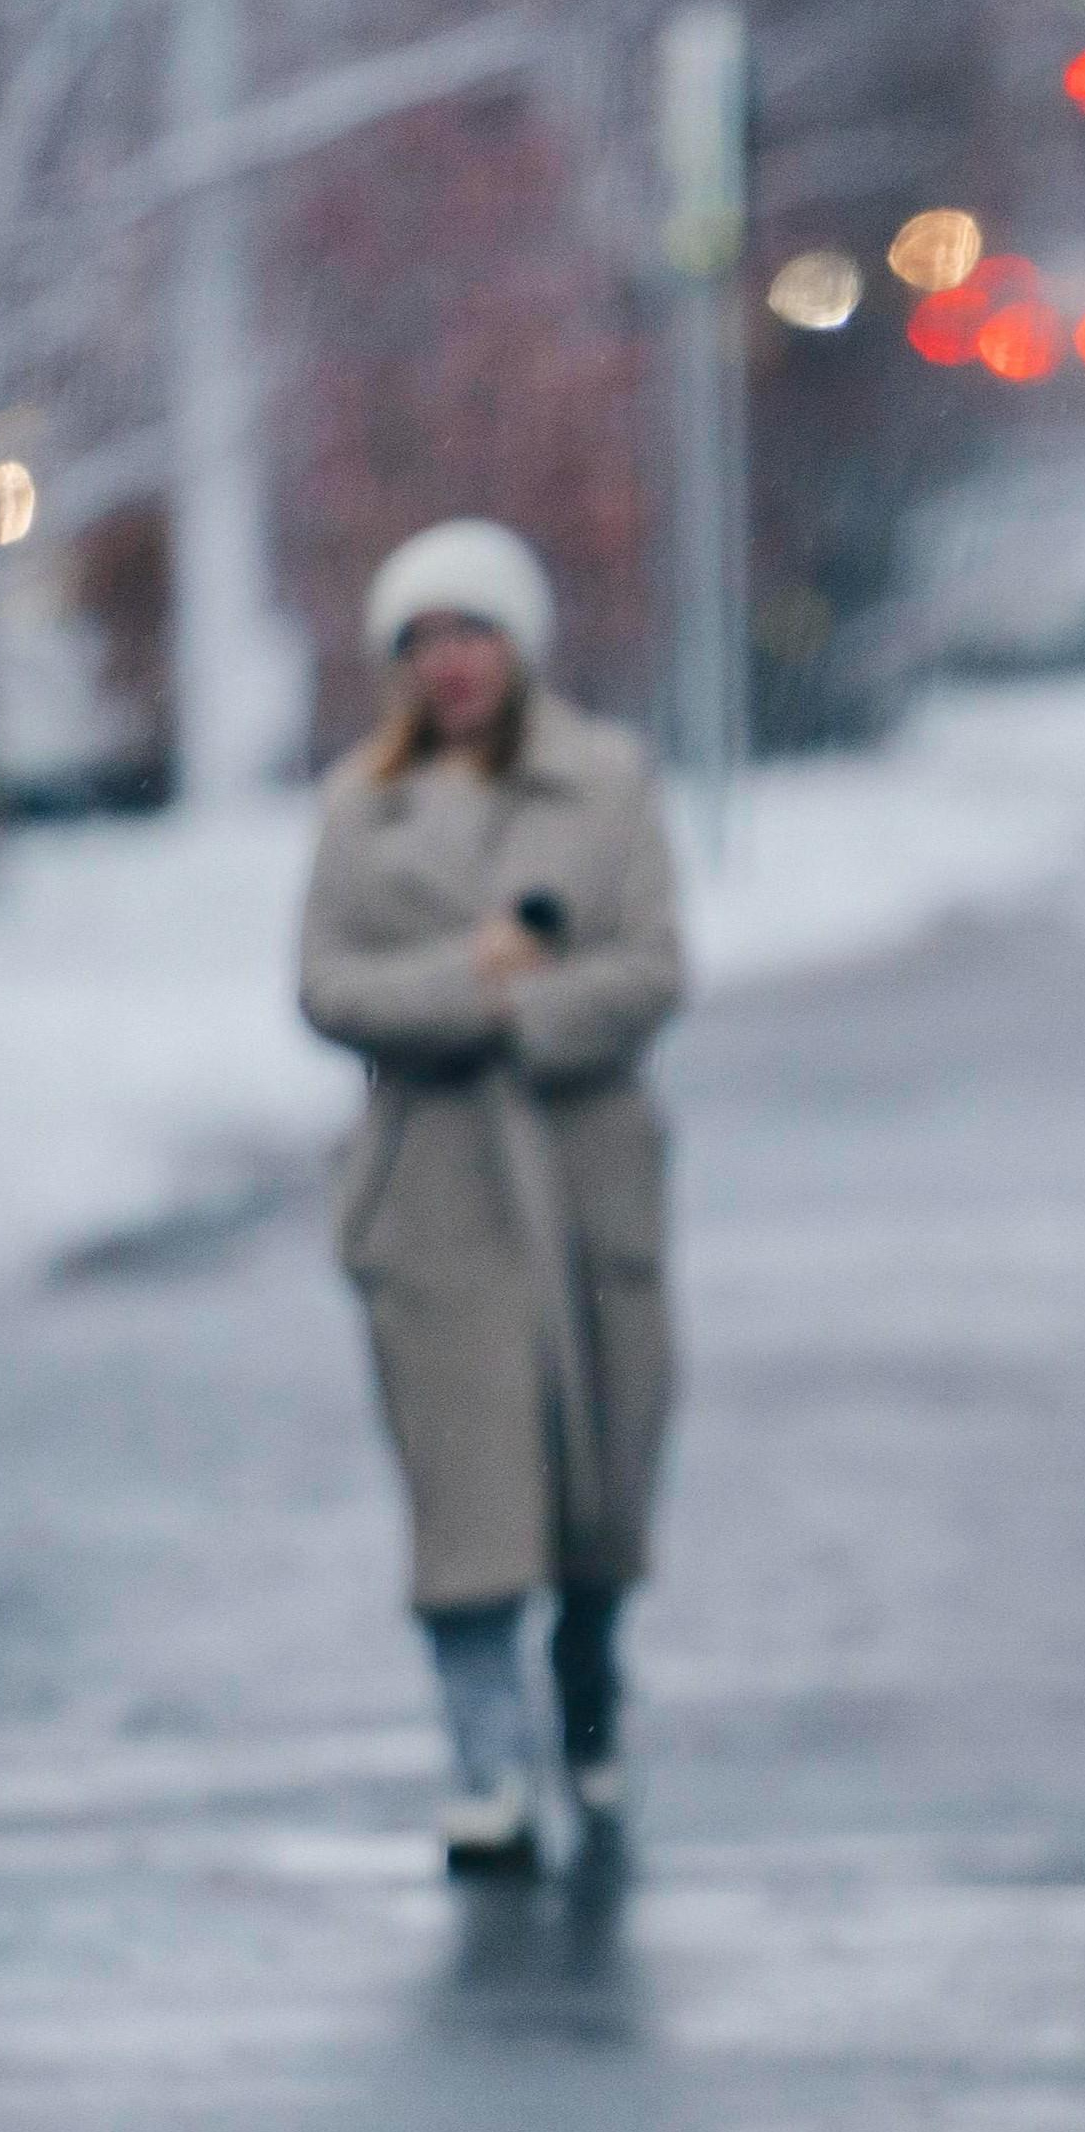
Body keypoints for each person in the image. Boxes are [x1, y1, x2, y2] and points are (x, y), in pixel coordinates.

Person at [297, 519, 683, 1874]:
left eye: (473, 633)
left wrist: (526, 1014)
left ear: (519, 646)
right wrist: (480, 980)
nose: (451, 662)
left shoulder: (605, 782)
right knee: (462, 1498)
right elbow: (328, 988)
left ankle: (585, 1688)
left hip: (586, 1185)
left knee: (597, 1482)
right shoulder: (363, 806)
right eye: (424, 639)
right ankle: (483, 1756)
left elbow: (650, 970)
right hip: (436, 1195)